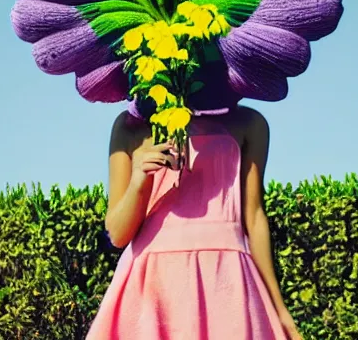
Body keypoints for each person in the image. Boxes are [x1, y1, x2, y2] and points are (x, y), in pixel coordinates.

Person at [86, 104, 303, 339]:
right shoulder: (129, 126)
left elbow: (255, 217)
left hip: (225, 280)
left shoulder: (249, 122)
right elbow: (117, 234)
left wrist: (279, 309)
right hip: (153, 283)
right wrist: (139, 182)